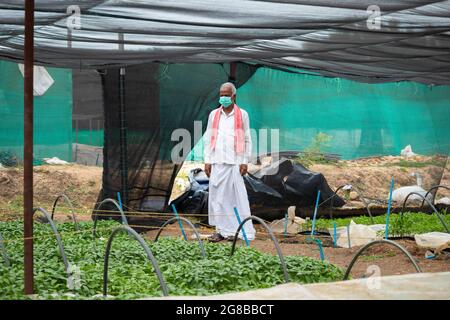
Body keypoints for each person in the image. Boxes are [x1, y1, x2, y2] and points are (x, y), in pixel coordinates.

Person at [203, 82, 256, 242]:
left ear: (234, 96)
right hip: (217, 162)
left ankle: (236, 231)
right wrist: (207, 160)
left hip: (234, 162)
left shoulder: (243, 115)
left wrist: (244, 161)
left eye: (227, 95)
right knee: (217, 198)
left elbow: (247, 138)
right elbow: (208, 137)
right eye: (221, 95)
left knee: (235, 198)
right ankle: (220, 231)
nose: (223, 98)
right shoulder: (214, 114)